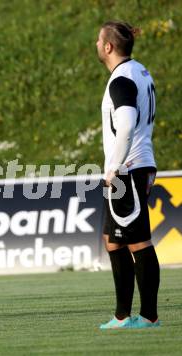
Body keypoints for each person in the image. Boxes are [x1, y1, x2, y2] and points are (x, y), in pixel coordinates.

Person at [96, 21, 160, 329]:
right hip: (135, 165)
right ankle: (122, 316)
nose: (96, 45)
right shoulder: (139, 71)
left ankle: (148, 316)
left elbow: (126, 124)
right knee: (112, 241)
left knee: (138, 242)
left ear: (108, 46)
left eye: (99, 40)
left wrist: (114, 168)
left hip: (128, 168)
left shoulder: (121, 79)